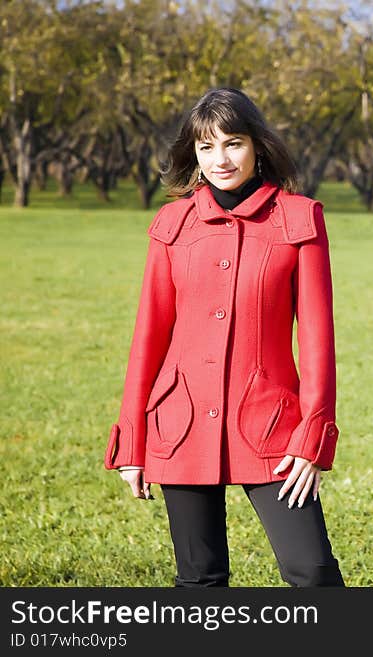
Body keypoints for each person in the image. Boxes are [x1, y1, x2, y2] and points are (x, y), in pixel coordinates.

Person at [103, 87, 345, 587]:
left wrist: (312, 436)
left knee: (313, 572)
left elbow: (318, 338)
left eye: (232, 143)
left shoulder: (299, 218)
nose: (220, 159)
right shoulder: (172, 224)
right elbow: (148, 336)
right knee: (200, 580)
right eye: (206, 147)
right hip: (181, 421)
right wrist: (133, 439)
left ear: (257, 145)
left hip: (272, 425)